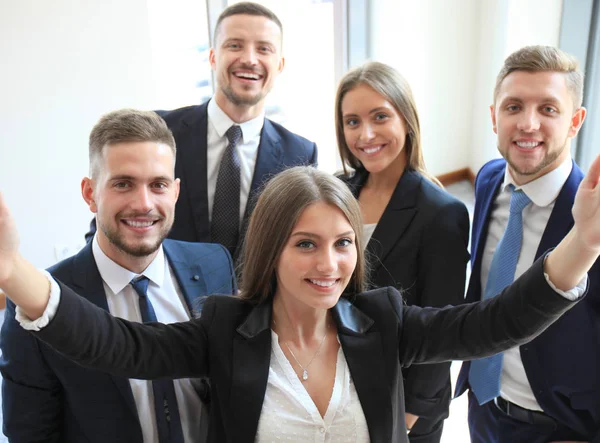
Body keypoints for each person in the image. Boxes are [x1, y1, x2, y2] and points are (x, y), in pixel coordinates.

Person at [1, 162, 599, 443]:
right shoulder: (224, 329)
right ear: (272, 251)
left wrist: (583, 242)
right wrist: (13, 272)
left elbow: (493, 324)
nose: (329, 264)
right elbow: (115, 343)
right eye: (306, 244)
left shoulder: (385, 322)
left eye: (343, 244)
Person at [0, 109, 237, 443]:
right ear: (89, 193)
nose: (144, 203)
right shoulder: (37, 303)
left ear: (176, 192)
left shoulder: (216, 265)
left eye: (158, 185)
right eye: (123, 184)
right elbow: (31, 435)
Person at [85, 2, 318, 258]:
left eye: (264, 49)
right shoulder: (158, 134)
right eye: (235, 45)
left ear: (280, 65)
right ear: (213, 57)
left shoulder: (300, 154)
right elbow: (104, 228)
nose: (250, 59)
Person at [454, 46, 600, 443]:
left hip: (558, 426)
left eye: (548, 109)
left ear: (575, 122)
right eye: (513, 106)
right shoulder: (487, 180)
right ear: (493, 116)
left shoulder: (593, 221)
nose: (528, 124)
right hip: (483, 407)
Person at [336, 61, 470, 442]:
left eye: (380, 116)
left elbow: (441, 326)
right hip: (338, 388)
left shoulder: (442, 213)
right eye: (352, 121)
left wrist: (405, 420)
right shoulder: (336, 191)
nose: (366, 134)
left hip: (403, 404)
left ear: (406, 121)